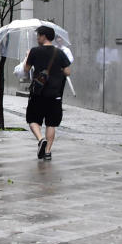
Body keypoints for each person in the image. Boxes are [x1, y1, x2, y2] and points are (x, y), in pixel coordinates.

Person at [23, 25, 71, 160]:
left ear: (43, 36)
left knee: (32, 119)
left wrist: (28, 56)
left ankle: (40, 139)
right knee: (51, 123)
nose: (37, 37)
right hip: (55, 93)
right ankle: (48, 152)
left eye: (38, 35)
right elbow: (67, 72)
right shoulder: (59, 52)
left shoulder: (34, 51)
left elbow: (26, 69)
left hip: (38, 93)